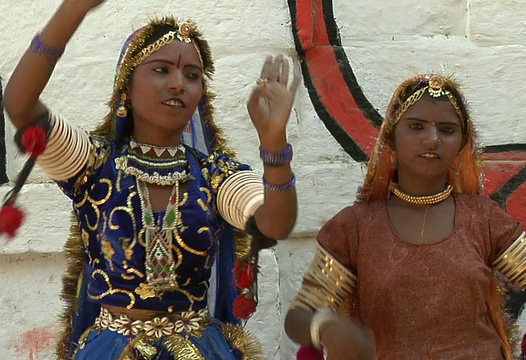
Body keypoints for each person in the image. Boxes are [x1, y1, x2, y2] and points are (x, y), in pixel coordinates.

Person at [1, 0, 301, 359]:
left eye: (192, 75)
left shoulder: (216, 175)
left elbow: (275, 223)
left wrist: (274, 143)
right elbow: (19, 105)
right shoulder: (94, 163)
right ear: (126, 86)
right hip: (111, 349)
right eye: (161, 70)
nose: (179, 84)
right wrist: (73, 10)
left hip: (199, 348)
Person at [284, 74, 526, 360]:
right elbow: (299, 317)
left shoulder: (484, 220)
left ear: (462, 143)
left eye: (447, 130)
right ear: (392, 136)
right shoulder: (355, 227)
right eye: (417, 126)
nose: (432, 139)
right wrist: (325, 329)